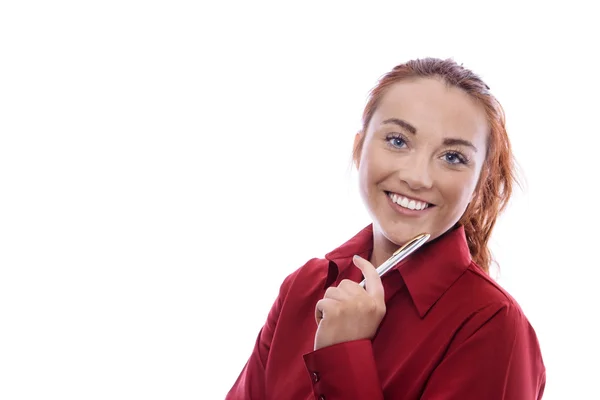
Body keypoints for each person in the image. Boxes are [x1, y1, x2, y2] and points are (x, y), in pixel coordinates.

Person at [225, 58, 546, 399]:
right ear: (359, 149)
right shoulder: (304, 287)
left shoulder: (492, 324)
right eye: (397, 141)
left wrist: (343, 355)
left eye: (452, 157)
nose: (417, 177)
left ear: (480, 184)